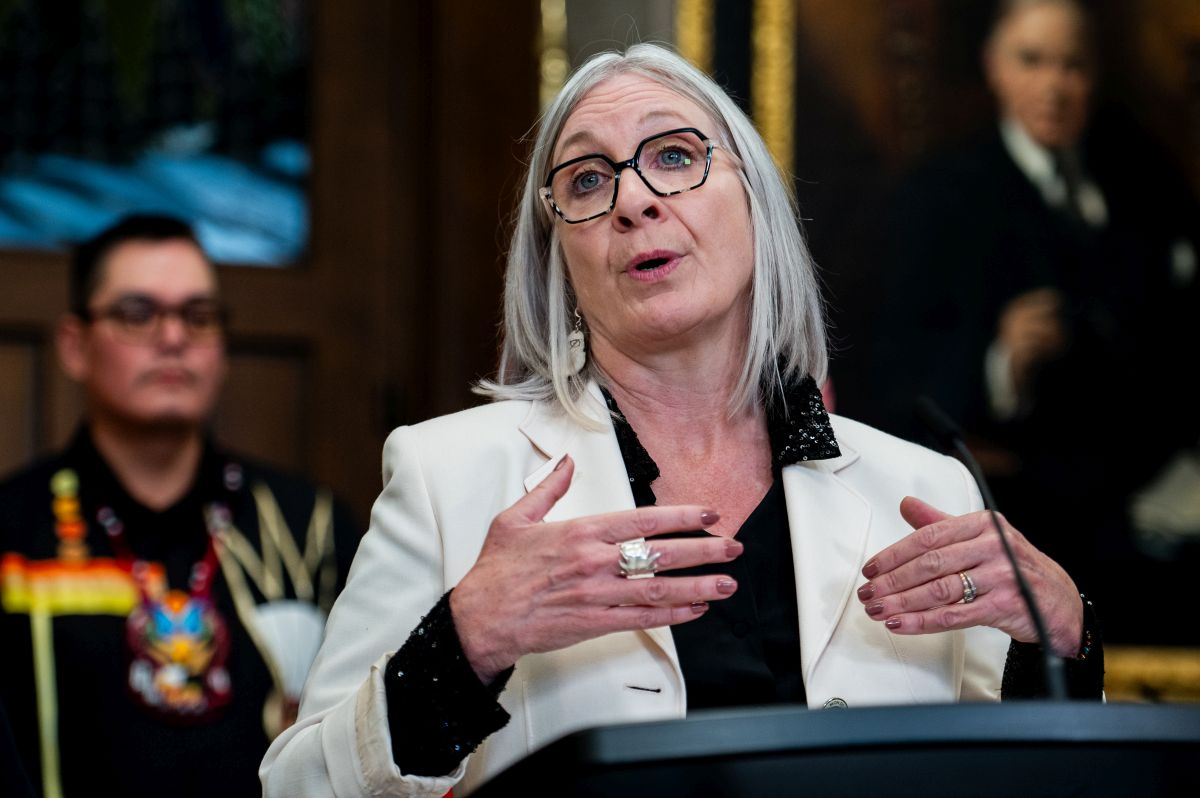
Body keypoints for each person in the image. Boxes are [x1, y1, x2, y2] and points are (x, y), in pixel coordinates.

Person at [260, 43, 1102, 797]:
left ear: (757, 205)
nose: (634, 202)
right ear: (560, 258)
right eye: (588, 180)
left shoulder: (924, 485)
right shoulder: (450, 474)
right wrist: (465, 640)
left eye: (673, 156)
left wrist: (1063, 635)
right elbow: (296, 790)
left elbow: (1030, 781)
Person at [869, 0, 1200, 643]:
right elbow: (893, 371)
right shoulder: (942, 195)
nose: (1053, 85)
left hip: (1139, 500)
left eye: (1072, 65)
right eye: (1032, 60)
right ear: (994, 66)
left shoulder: (1137, 183)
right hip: (1024, 511)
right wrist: (999, 359)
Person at [0, 214, 361, 797]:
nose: (173, 338)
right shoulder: (13, 533)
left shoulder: (307, 527)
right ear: (74, 345)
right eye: (137, 314)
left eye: (198, 315)